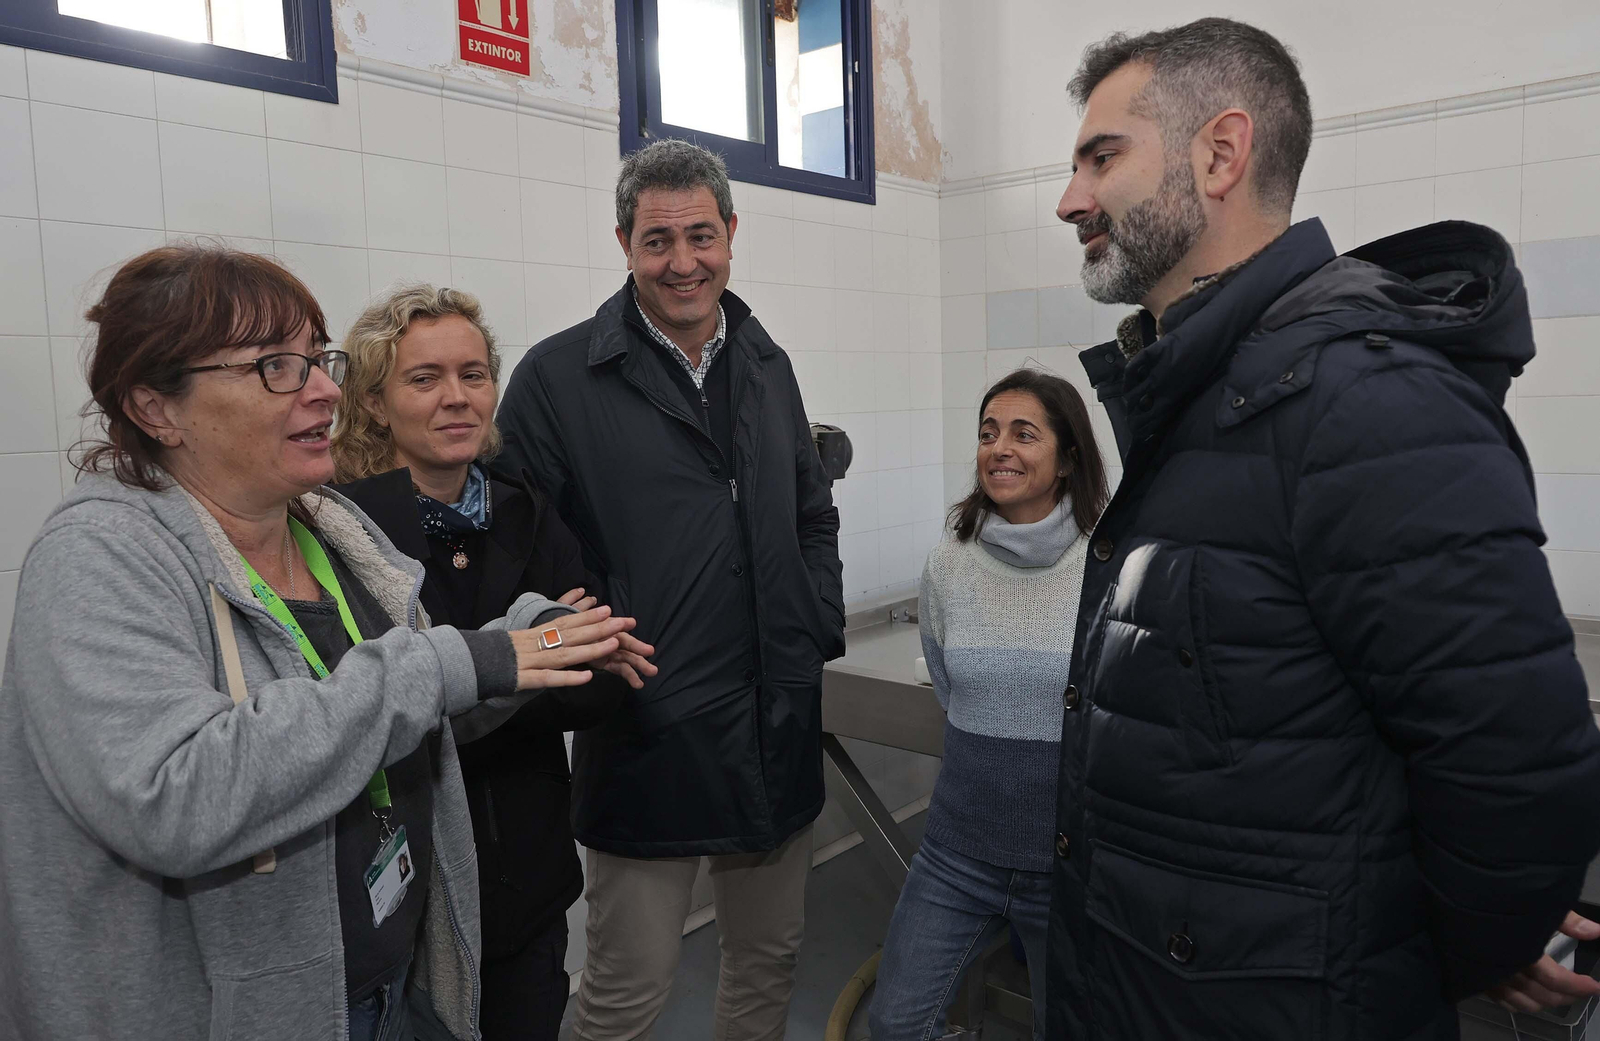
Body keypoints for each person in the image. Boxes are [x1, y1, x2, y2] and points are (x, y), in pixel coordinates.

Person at [1046, 17, 1600, 1040]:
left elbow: (1514, 754)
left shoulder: (1364, 398)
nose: (1070, 199)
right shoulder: (1212, 390)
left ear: (1219, 153)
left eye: (1101, 157)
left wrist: (1459, 946)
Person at [0, 246, 641, 1041]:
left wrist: (519, 645)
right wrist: (464, 658)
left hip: (386, 988)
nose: (326, 389)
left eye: (318, 357)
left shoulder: (329, 531)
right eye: (276, 366)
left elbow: (395, 708)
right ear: (155, 406)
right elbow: (173, 794)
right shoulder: (102, 555)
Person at [496, 138, 846, 1041]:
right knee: (624, 992)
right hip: (648, 726)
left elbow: (812, 509)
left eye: (701, 235)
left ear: (731, 232)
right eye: (658, 241)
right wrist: (581, 636)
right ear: (623, 243)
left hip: (774, 716)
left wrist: (815, 622)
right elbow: (523, 553)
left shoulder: (766, 365)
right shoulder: (556, 379)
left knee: (765, 962)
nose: (682, 262)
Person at [330, 283, 655, 1041]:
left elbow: (598, 687)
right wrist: (535, 643)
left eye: (473, 375)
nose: (457, 398)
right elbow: (375, 713)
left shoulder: (526, 506)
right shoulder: (343, 527)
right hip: (406, 905)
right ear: (375, 402)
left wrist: (487, 668)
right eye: (425, 378)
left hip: (528, 887)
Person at [870, 369, 1107, 1041]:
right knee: (894, 1025)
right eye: (987, 432)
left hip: (1066, 860)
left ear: (1066, 459)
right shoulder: (950, 562)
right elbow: (949, 681)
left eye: (1023, 433)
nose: (999, 447)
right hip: (958, 852)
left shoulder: (1105, 563)